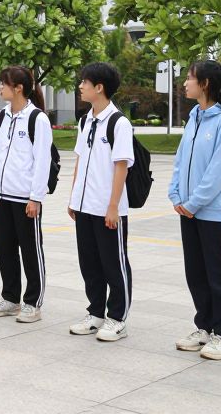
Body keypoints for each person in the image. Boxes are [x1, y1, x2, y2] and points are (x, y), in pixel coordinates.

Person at [169, 60, 221, 360]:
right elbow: (180, 160)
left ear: (205, 84)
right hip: (189, 211)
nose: (185, 83)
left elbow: (218, 172)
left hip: (215, 213)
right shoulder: (194, 118)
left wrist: (193, 202)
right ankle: (205, 326)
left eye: (190, 78)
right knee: (196, 273)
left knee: (220, 274)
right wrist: (176, 193)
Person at [67, 62, 133, 341]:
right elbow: (80, 159)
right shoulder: (85, 121)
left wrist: (113, 207)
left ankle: (117, 318)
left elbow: (121, 166)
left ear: (99, 87)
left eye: (84, 82)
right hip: (85, 206)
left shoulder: (119, 123)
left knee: (113, 264)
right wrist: (74, 198)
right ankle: (95, 313)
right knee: (90, 263)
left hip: (107, 208)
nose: (80, 86)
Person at [0, 66, 53, 323]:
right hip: (1, 195)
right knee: (5, 249)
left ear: (18, 88)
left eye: (3, 83)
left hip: (25, 199)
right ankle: (10, 298)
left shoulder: (37, 119)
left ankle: (32, 303)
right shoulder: (2, 116)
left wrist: (36, 197)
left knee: (31, 251)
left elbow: (43, 160)